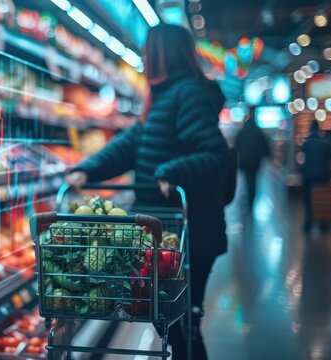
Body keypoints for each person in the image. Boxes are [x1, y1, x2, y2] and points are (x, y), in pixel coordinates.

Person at [65, 24, 232, 360]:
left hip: (190, 234)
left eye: (147, 50)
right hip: (168, 233)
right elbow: (131, 144)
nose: (142, 57)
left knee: (183, 325)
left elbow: (215, 154)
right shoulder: (166, 96)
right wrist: (88, 168)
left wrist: (172, 171)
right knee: (172, 323)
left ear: (162, 54)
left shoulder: (188, 94)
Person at [301, 121, 331, 232]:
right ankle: (323, 224)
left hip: (308, 176)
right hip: (323, 176)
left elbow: (302, 161)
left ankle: (309, 223)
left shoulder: (306, 144)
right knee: (322, 199)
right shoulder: (326, 143)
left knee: (309, 201)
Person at [235, 109, 270, 211]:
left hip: (245, 161)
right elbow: (264, 146)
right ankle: (252, 199)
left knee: (247, 179)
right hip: (255, 161)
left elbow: (237, 144)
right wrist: (267, 156)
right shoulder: (258, 131)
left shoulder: (243, 130)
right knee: (254, 180)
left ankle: (248, 197)